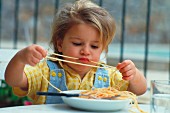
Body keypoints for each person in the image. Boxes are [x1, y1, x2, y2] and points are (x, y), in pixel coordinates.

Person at [5, 0, 147, 104]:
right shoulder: (46, 72)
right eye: (77, 44)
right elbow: (14, 81)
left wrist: (133, 75)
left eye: (94, 46)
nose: (86, 51)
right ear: (60, 44)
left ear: (103, 48)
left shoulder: (109, 76)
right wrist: (20, 59)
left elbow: (140, 90)